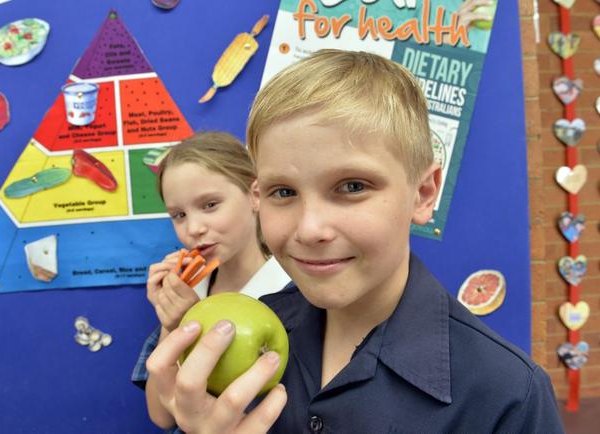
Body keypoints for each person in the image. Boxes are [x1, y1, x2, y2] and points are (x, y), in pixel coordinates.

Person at [145, 50, 564, 433]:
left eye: (352, 186)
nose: (309, 229)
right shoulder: (243, 329)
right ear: (259, 198)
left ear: (423, 193)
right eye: (284, 192)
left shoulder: (507, 394)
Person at [131, 131, 290, 430]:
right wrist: (173, 321)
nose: (193, 228)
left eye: (210, 205)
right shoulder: (193, 290)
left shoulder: (295, 291)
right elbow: (162, 416)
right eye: (178, 214)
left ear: (255, 196)